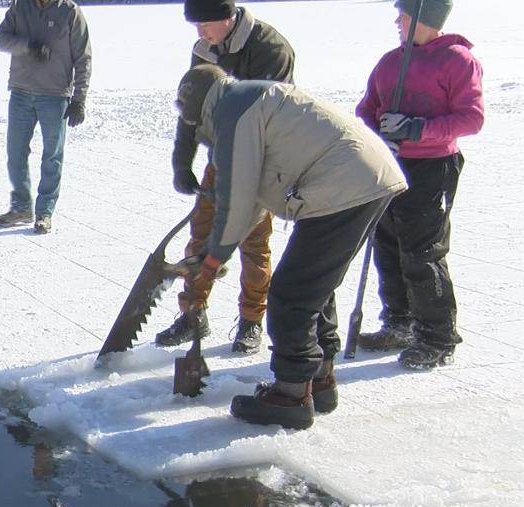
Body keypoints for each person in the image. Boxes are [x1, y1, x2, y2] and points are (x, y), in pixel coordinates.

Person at [172, 65, 406, 430]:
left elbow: (238, 197)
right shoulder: (246, 99)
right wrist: (216, 253)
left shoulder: (233, 113)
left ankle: (292, 396)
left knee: (291, 294)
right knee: (314, 287)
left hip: (345, 183)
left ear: (200, 110)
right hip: (358, 176)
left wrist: (214, 256)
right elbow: (254, 202)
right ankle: (320, 379)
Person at [155, 0, 295, 355]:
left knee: (252, 240)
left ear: (228, 18)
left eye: (205, 24)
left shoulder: (270, 49)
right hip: (222, 152)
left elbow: (264, 117)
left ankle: (251, 321)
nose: (200, 34)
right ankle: (193, 313)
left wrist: (237, 177)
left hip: (263, 156)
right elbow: (193, 104)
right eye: (196, 26)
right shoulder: (205, 47)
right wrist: (181, 162)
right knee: (201, 233)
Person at [355, 0, 483, 370]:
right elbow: (367, 108)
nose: (398, 21)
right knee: (388, 242)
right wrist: (379, 129)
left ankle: (438, 337)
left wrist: (418, 128)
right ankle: (400, 322)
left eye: (405, 14)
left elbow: (471, 118)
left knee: (422, 251)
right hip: (391, 162)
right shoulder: (390, 62)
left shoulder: (458, 60)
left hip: (434, 166)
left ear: (426, 18)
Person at [0, 0, 91, 235]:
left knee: (52, 156)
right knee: (15, 153)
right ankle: (21, 206)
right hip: (20, 93)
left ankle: (44, 211)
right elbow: (0, 40)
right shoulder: (20, 7)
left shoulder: (70, 12)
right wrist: (27, 46)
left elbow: (83, 58)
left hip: (55, 96)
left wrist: (79, 99)